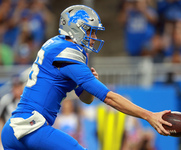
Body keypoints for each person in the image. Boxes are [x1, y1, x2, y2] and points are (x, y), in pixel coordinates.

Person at [1, 5, 172, 150]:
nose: (94, 38)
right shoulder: (68, 52)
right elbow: (109, 97)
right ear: (76, 27)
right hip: (31, 127)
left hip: (18, 128)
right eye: (90, 31)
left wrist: (89, 83)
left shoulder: (57, 44)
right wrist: (149, 115)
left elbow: (86, 98)